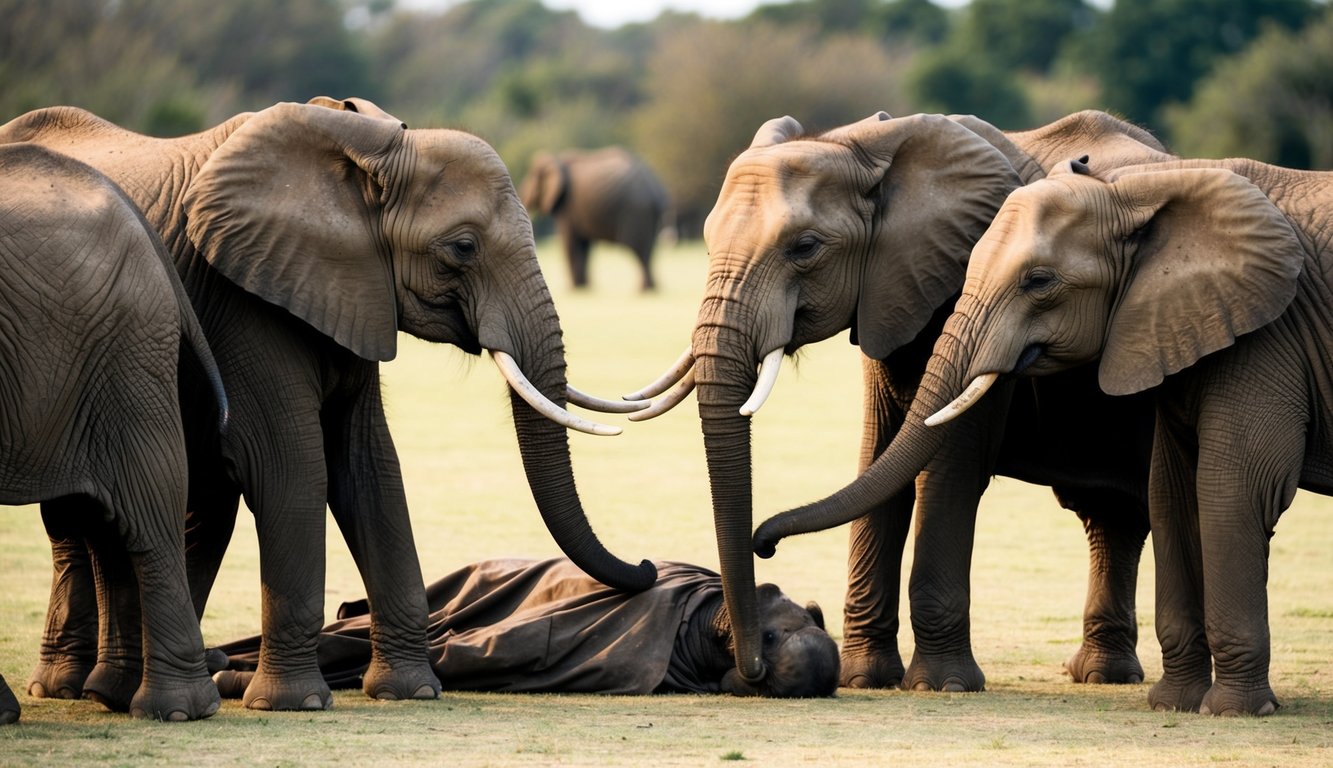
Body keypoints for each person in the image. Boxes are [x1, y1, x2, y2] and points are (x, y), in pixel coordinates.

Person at [213, 558, 838, 698]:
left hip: (552, 631)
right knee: (450, 602)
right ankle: (241, 656)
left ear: (744, 675)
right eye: (782, 631)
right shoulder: (717, 586)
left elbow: (575, 650)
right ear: (808, 613)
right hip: (538, 582)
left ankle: (242, 671)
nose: (765, 632)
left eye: (768, 649)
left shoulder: (656, 662)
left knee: (439, 648)